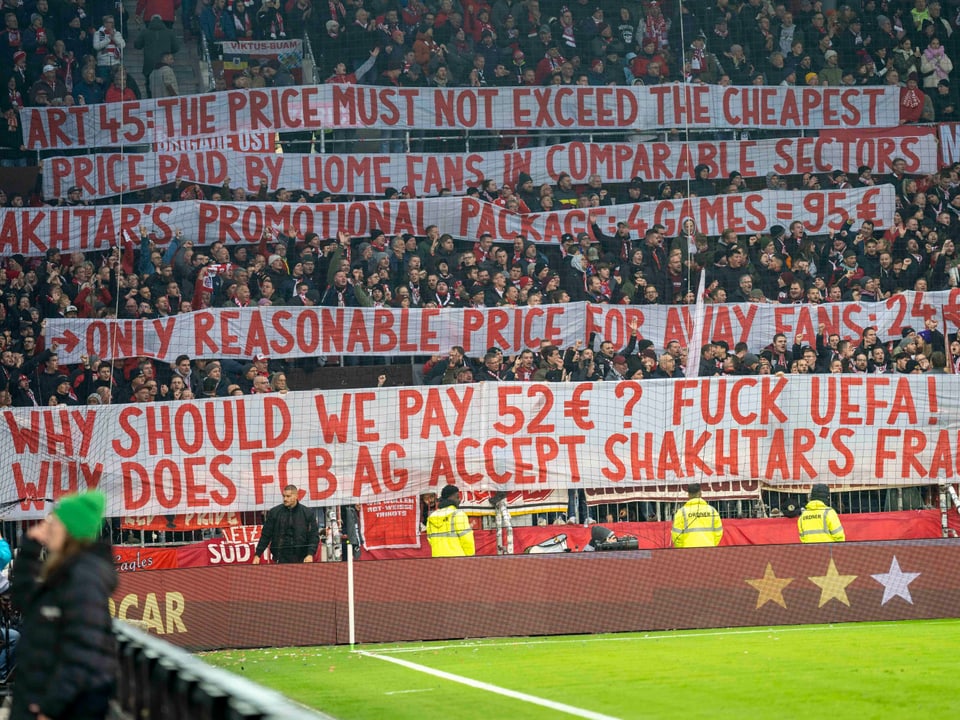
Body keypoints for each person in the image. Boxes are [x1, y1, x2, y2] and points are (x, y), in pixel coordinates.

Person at [10, 490, 117, 720]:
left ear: (70, 531)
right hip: (39, 695)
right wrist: (29, 550)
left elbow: (81, 653)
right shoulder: (63, 571)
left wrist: (50, 708)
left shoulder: (83, 578)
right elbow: (23, 601)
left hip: (60, 706)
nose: (48, 527)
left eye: (54, 522)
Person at [253, 485, 319, 564]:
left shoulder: (308, 514)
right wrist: (257, 554)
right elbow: (265, 535)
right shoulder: (274, 513)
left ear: (296, 496)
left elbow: (313, 536)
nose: (285, 499)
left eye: (288, 496)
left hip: (302, 558)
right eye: (284, 496)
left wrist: (310, 554)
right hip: (280, 558)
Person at [425, 485, 475, 557]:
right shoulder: (458, 514)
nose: (459, 500)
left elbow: (430, 540)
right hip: (457, 560)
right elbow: (467, 539)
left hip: (437, 560)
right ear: (452, 497)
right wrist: (470, 556)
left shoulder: (432, 517)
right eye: (457, 497)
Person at [671, 483, 723, 548]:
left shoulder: (681, 512)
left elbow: (676, 535)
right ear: (701, 493)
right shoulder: (712, 511)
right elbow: (718, 532)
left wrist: (682, 549)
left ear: (688, 495)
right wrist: (712, 544)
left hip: (688, 551)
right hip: (709, 549)